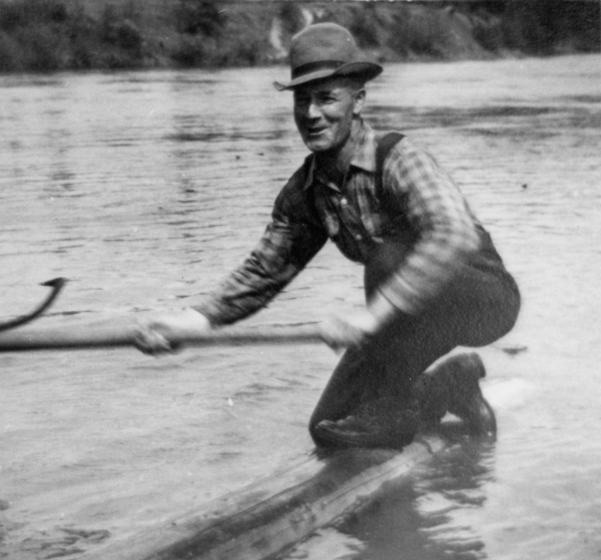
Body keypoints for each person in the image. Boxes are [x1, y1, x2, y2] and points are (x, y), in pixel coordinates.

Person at [136, 23, 520, 449]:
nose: (312, 114)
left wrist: (372, 317)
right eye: (302, 100)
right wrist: (193, 322)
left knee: (386, 259)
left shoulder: (399, 159)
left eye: (327, 98)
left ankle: (393, 412)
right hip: (405, 322)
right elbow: (264, 271)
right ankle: (452, 384)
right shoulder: (305, 193)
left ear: (358, 101)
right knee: (328, 427)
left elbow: (453, 234)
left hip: (483, 300)